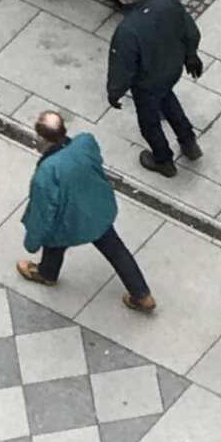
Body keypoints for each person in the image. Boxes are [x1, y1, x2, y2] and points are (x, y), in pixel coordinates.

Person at [16, 111, 156, 312]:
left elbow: (43, 213)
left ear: (42, 138)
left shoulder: (47, 172)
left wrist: (32, 242)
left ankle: (47, 274)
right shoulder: (85, 142)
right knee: (116, 250)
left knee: (54, 243)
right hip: (97, 209)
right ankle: (142, 294)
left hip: (69, 220)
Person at [107, 0, 204, 178]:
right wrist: (191, 55)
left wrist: (114, 92)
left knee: (149, 122)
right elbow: (190, 30)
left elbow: (123, 66)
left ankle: (163, 160)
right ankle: (189, 142)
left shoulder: (127, 31)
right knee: (167, 99)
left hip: (148, 83)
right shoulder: (166, 1)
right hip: (173, 69)